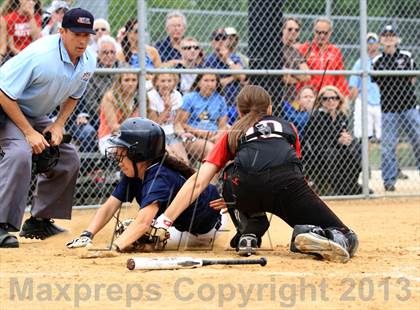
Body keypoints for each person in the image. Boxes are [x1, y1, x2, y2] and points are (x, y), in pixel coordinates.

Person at [152, 85, 358, 263]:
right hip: (288, 188)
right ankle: (319, 233)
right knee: (348, 235)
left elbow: (199, 181)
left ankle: (248, 231)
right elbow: (294, 169)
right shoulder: (289, 127)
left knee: (230, 173)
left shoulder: (232, 133)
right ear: (269, 108)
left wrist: (164, 220)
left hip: (245, 190)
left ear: (239, 111)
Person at [0, 8, 96, 248]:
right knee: (19, 152)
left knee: (67, 156)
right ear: (62, 31)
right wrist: (29, 133)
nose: (83, 40)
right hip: (5, 107)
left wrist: (59, 123)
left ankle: (39, 221)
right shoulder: (41, 55)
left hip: (31, 112)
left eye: (87, 34)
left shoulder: (88, 59)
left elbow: (75, 94)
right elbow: (3, 92)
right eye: (76, 34)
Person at [66, 117, 224, 252]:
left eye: (122, 151)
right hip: (179, 227)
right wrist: (87, 234)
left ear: (138, 154)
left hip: (206, 230)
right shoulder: (133, 172)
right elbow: (109, 206)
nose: (118, 157)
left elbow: (143, 223)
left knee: (137, 236)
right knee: (132, 233)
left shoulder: (159, 176)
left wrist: (114, 248)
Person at [372, 24, 419, 192]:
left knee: (418, 139)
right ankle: (389, 180)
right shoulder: (377, 60)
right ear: (381, 39)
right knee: (388, 146)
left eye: (392, 34)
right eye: (385, 34)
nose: (388, 37)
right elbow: (376, 82)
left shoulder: (406, 56)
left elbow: (413, 78)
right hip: (388, 109)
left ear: (397, 38)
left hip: (409, 106)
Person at [302, 86, 364, 196]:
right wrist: (338, 140)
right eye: (326, 98)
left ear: (339, 99)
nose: (330, 101)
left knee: (356, 148)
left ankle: (351, 185)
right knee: (332, 153)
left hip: (338, 148)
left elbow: (344, 134)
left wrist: (347, 139)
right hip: (318, 152)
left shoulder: (342, 116)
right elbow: (318, 142)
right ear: (320, 101)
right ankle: (338, 188)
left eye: (334, 98)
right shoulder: (317, 116)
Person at [69, 35, 122, 152]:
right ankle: (92, 166)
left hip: (122, 114)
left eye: (112, 52)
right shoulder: (91, 70)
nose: (109, 56)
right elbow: (90, 101)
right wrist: (109, 114)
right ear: (98, 53)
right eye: (105, 52)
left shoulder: (123, 69)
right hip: (97, 116)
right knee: (88, 131)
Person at [175, 73, 228, 161]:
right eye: (206, 80)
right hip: (192, 137)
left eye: (212, 81)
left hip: (214, 136)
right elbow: (181, 124)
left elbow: (222, 126)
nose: (209, 84)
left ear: (217, 83)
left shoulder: (220, 100)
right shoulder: (189, 98)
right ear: (199, 83)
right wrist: (201, 133)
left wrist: (218, 136)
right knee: (211, 149)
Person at [298, 18, 350, 97]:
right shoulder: (305, 49)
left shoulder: (335, 51)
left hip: (328, 96)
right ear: (314, 31)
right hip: (310, 95)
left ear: (330, 33)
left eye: (325, 33)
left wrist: (343, 95)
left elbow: (340, 77)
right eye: (318, 32)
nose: (322, 36)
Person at [205, 28, 246, 125]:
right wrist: (233, 77)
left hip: (234, 104)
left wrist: (227, 60)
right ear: (212, 42)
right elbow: (214, 84)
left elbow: (242, 77)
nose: (220, 41)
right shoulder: (209, 60)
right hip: (216, 104)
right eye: (217, 38)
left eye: (223, 38)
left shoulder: (234, 58)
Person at [147, 73, 190, 164]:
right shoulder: (151, 96)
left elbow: (176, 123)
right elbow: (154, 125)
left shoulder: (177, 95)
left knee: (185, 162)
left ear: (174, 82)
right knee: (173, 160)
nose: (166, 84)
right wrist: (167, 109)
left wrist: (182, 134)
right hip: (157, 135)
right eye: (163, 81)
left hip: (172, 133)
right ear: (156, 82)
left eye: (169, 81)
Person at [349, 32, 382, 142]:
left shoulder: (382, 60)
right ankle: (364, 159)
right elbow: (353, 84)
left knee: (384, 136)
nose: (371, 45)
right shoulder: (360, 62)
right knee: (363, 137)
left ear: (378, 44)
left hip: (382, 100)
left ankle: (384, 159)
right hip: (364, 100)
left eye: (373, 42)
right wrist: (353, 101)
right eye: (368, 42)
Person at [98, 71, 140, 155]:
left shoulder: (139, 98)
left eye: (134, 80)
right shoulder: (110, 97)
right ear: (120, 82)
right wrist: (139, 131)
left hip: (134, 137)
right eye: (126, 80)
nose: (130, 83)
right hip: (110, 137)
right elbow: (114, 128)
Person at [278, 17, 310, 114]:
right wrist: (298, 76)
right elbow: (283, 77)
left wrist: (290, 73)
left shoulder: (296, 52)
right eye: (290, 29)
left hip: (292, 99)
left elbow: (307, 76)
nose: (293, 32)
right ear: (282, 30)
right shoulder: (276, 49)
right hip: (278, 96)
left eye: (296, 30)